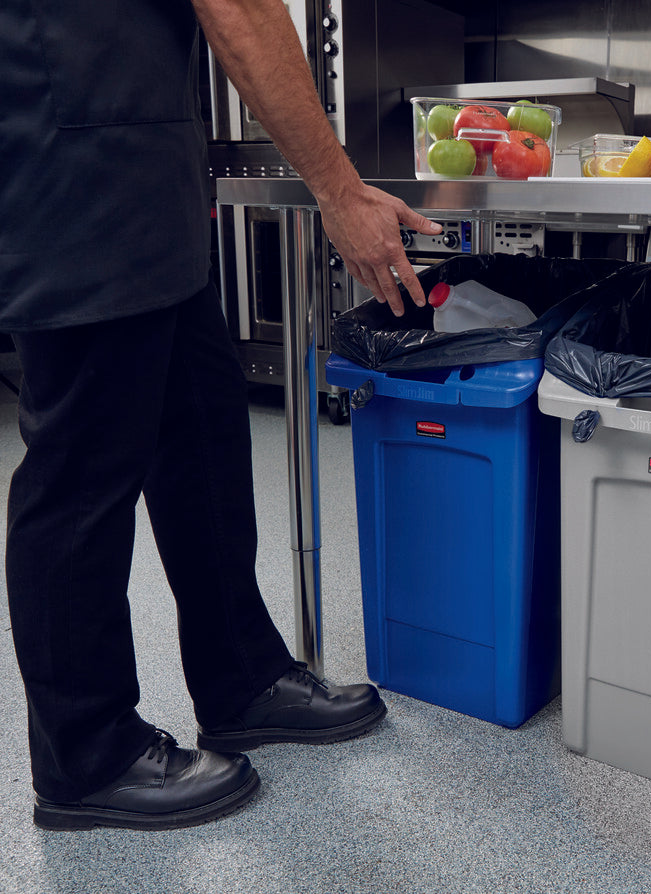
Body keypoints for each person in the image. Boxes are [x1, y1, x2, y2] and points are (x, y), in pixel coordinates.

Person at [0, 0, 440, 831]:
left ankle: (241, 679)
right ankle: (86, 756)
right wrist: (338, 188)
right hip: (72, 170)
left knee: (201, 429)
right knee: (83, 468)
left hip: (140, 163)